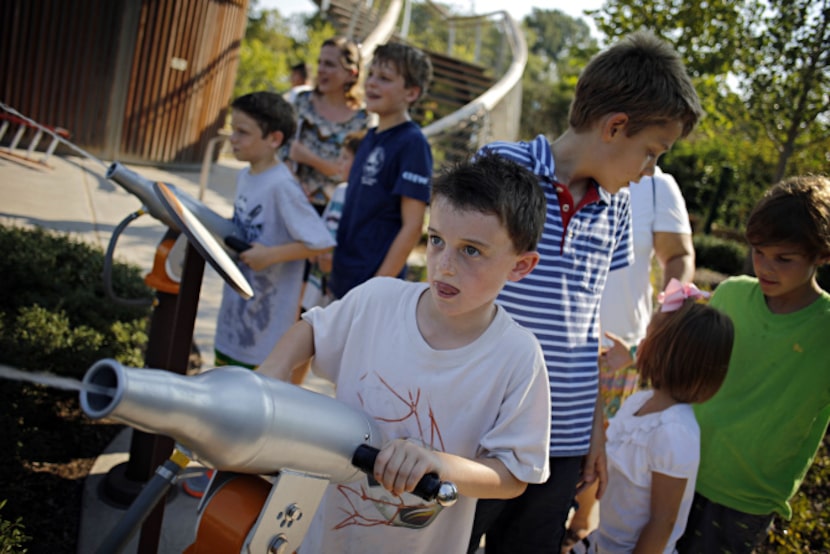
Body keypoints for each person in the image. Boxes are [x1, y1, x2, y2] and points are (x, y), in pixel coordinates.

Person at [467, 30, 704, 553]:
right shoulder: (500, 167)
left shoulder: (616, 205)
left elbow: (584, 322)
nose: (650, 171)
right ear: (616, 126)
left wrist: (595, 428)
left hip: (565, 439)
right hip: (483, 426)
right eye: (651, 153)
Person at [257, 153, 553, 553]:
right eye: (436, 241)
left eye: (471, 251)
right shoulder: (377, 298)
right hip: (320, 538)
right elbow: (313, 327)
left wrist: (441, 465)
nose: (444, 266)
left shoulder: (518, 357)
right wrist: (273, 368)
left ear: (522, 266)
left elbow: (514, 476)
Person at [183, 91, 336, 498]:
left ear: (274, 138)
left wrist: (272, 254)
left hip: (267, 321)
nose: (233, 140)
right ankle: (219, 467)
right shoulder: (246, 176)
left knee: (247, 401)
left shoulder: (282, 186)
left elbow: (320, 241)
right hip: (238, 309)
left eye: (243, 133)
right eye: (233, 131)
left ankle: (230, 474)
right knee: (224, 386)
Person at [676, 175, 830, 554]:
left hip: (746, 497)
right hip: (679, 467)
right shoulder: (730, 294)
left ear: (822, 256)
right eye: (759, 252)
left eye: (784, 258)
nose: (765, 267)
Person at [564, 167, 695, 548]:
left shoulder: (657, 186)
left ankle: (581, 525)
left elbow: (679, 256)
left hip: (618, 354)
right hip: (555, 343)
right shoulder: (564, 167)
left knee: (598, 450)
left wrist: (657, 330)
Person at [570, 281, 733, 554]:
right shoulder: (639, 401)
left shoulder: (675, 431)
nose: (640, 344)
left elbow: (663, 520)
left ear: (673, 356)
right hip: (603, 542)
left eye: (648, 337)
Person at [329, 42, 433, 300]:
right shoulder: (369, 138)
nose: (372, 83)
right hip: (343, 279)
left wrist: (377, 288)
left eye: (384, 78)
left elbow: (412, 226)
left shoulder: (413, 144)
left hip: (372, 289)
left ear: (411, 93)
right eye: (372, 75)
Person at [285, 37, 369, 213]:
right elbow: (282, 149)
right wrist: (294, 183)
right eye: (320, 62)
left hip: (334, 212)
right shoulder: (302, 102)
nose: (321, 70)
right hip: (290, 199)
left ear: (351, 73)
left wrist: (308, 157)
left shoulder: (363, 120)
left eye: (329, 64)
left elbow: (353, 173)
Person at [300, 130, 366, 312]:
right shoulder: (340, 190)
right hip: (319, 281)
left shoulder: (357, 197)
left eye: (345, 158)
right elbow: (324, 229)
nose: (339, 162)